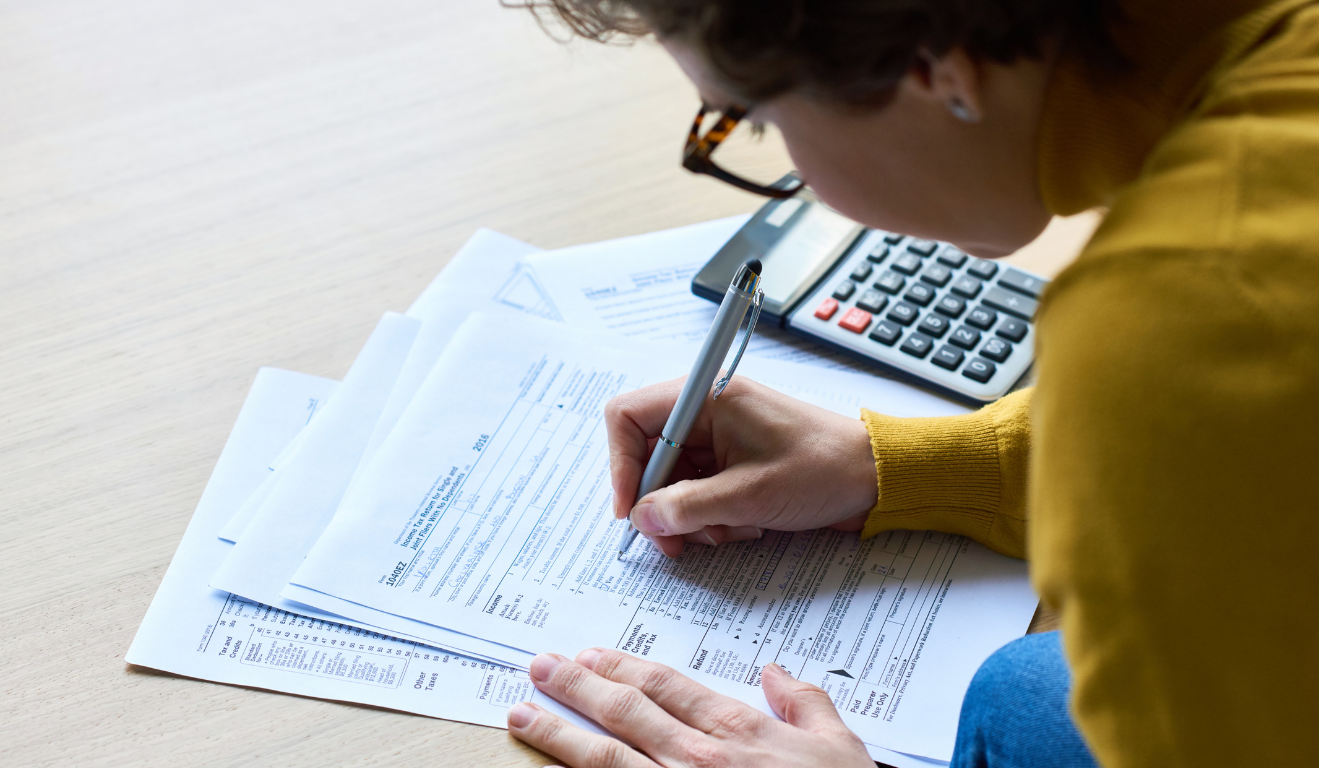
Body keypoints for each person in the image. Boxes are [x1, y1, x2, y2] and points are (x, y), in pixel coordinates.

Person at [500, 0, 1319, 766]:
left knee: (1011, 703)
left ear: (932, 69)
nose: (802, 178)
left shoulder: (1183, 315)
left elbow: (1212, 389)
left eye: (758, 119)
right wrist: (897, 467)